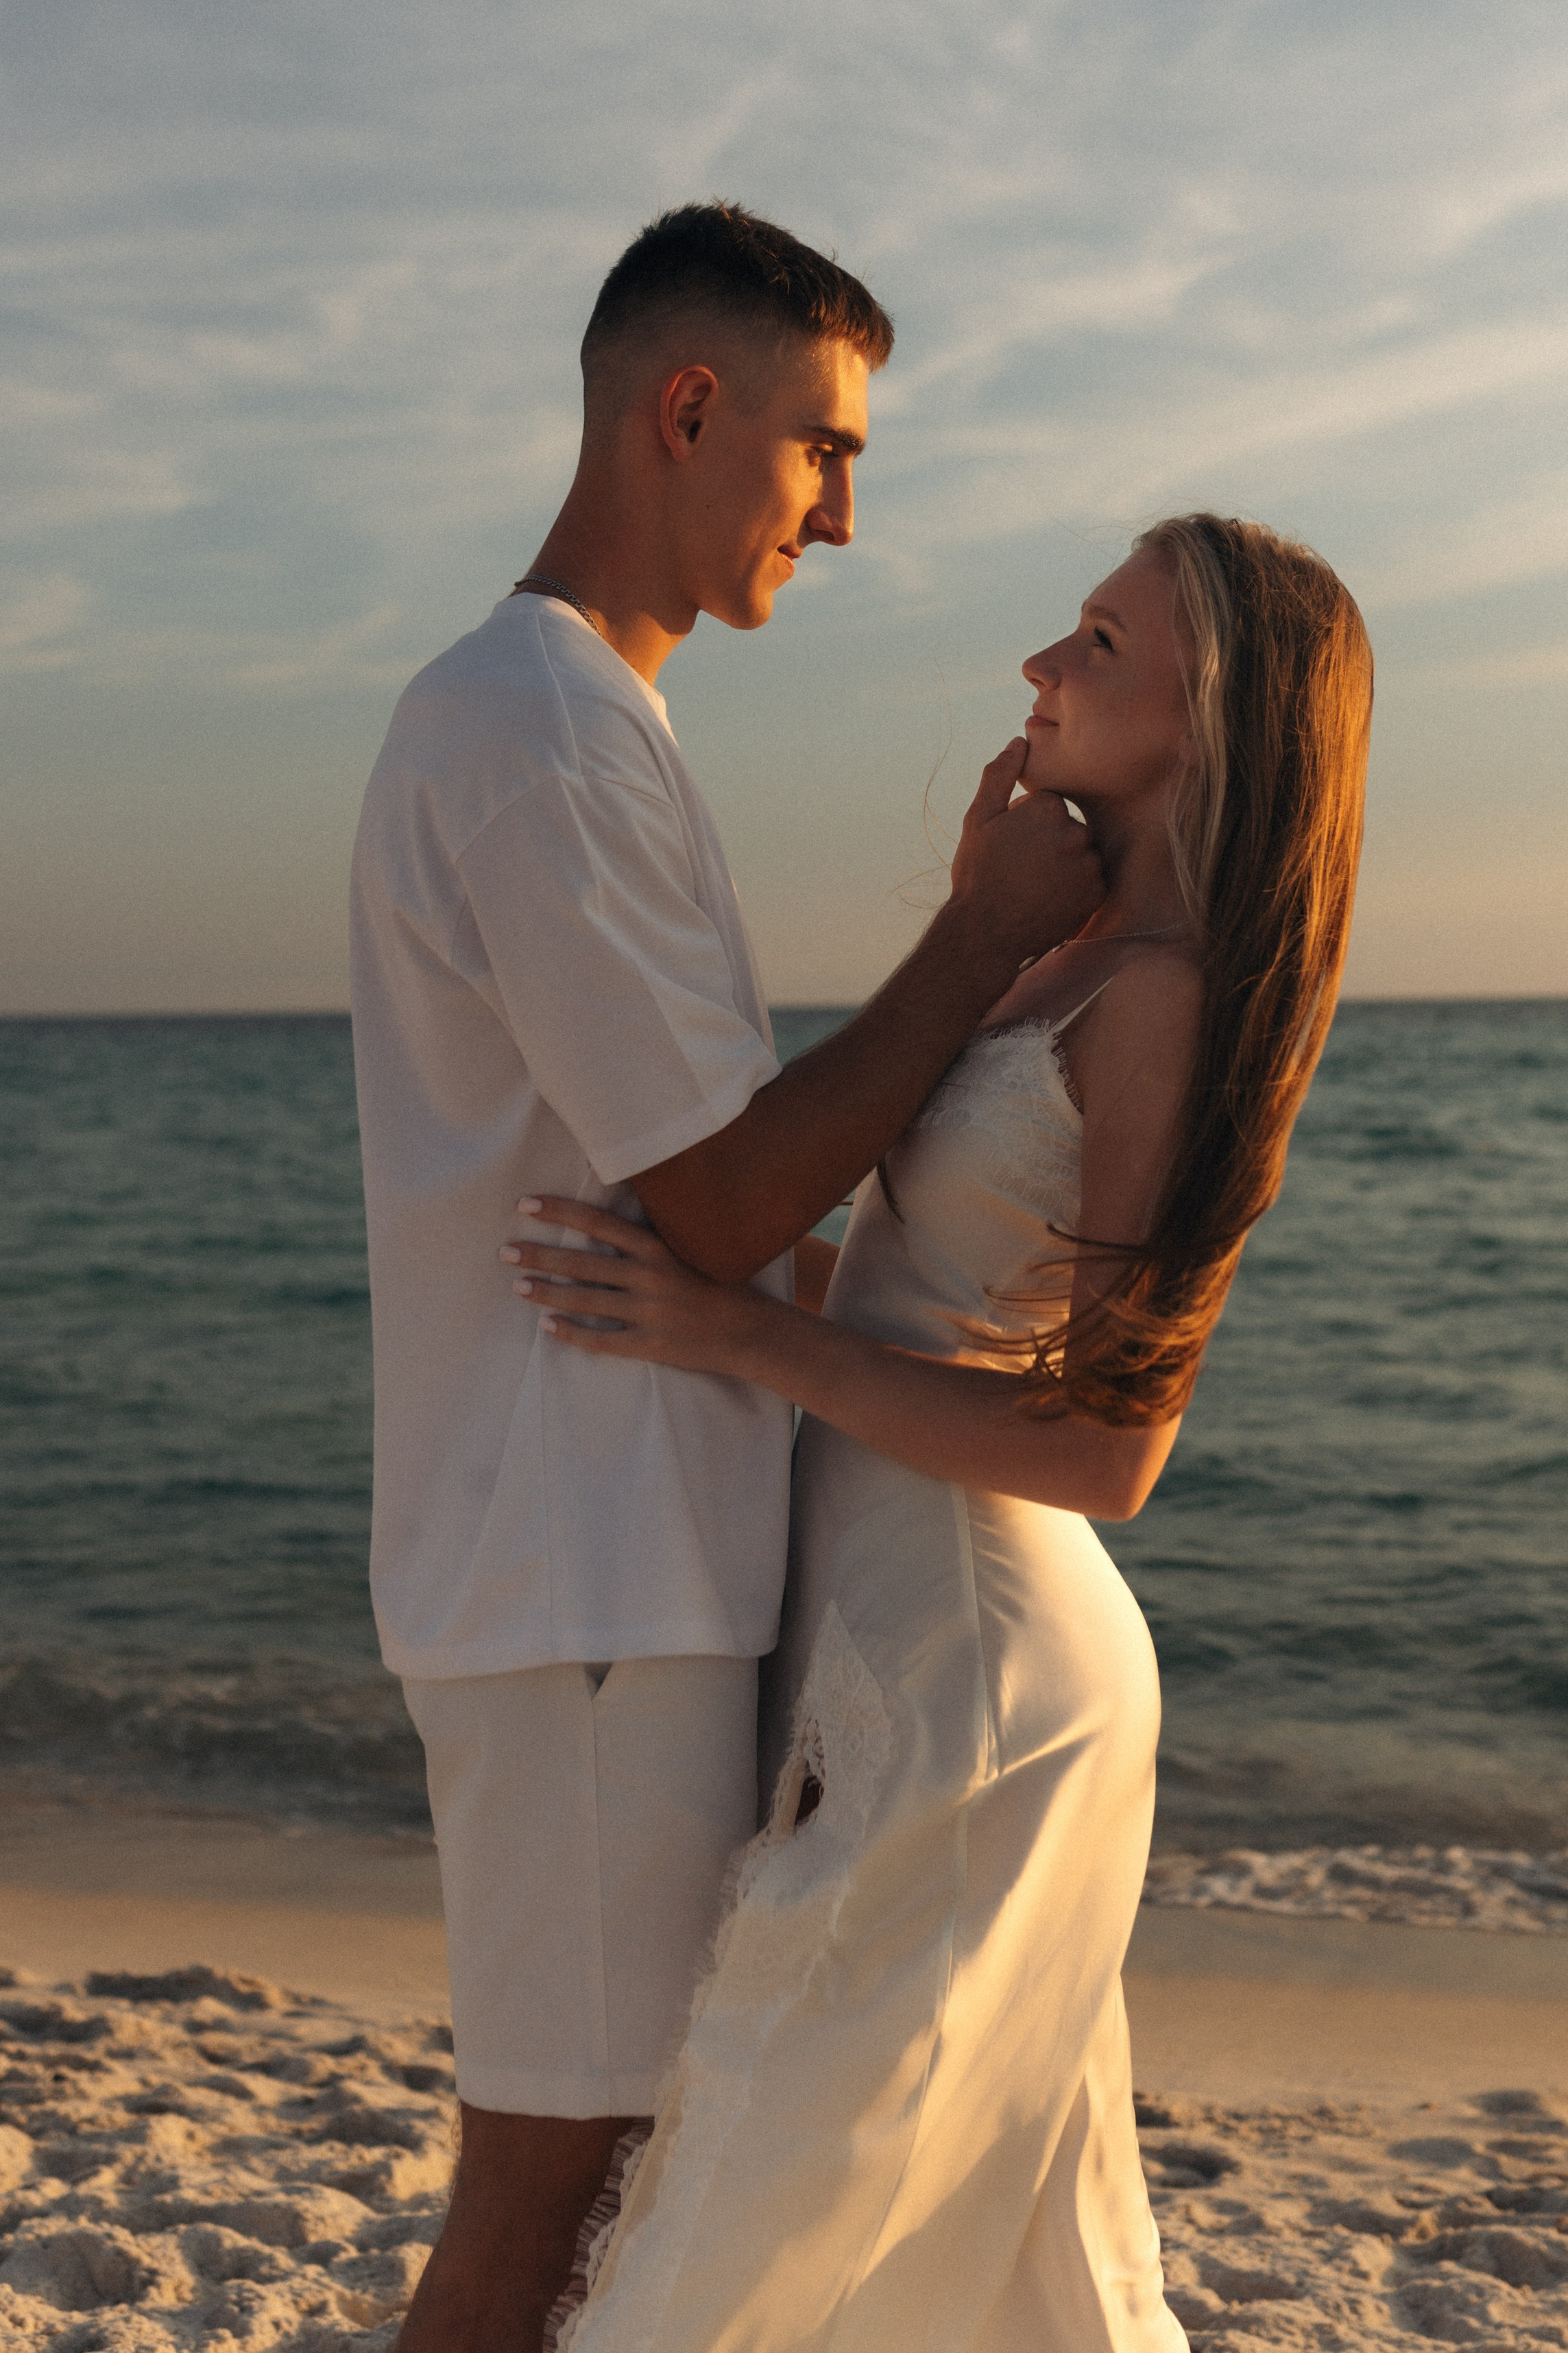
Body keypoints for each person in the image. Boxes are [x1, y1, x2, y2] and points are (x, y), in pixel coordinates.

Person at [349, 202, 1103, 2353]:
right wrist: (981, 939)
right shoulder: (537, 737)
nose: (844, 516)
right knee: (545, 2206)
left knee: (606, 2203)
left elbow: (729, 1199)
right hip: (578, 1589)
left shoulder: (592, 725)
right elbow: (717, 1197)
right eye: (822, 449)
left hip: (616, 1585)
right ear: (688, 409)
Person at [500, 511, 1375, 2350]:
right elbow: (914, 1284)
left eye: (1098, 650)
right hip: (909, 1646)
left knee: (773, 2197)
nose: (1041, 672)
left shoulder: (1163, 1007)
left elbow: (1109, 1455)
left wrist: (732, 1325)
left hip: (988, 1677)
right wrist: (695, 1256)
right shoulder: (1064, 962)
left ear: (1210, 728)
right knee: (979, 2239)